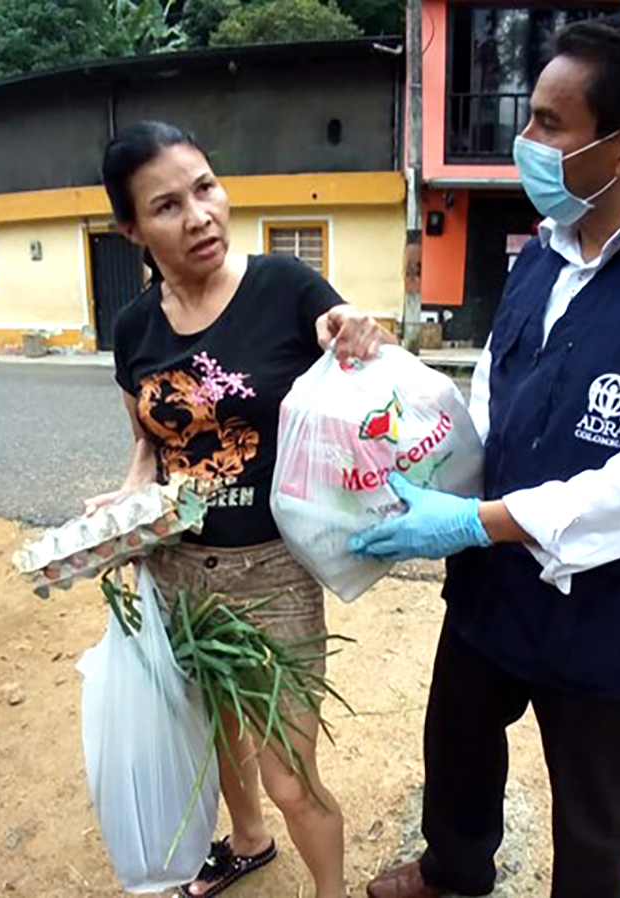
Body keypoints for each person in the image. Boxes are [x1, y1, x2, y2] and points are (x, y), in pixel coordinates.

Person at [350, 15, 620, 898]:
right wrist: (435, 471)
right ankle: (452, 870)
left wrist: (480, 520)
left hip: (604, 595)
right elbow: (493, 381)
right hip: (491, 570)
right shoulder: (542, 254)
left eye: (549, 124)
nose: (525, 143)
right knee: (459, 735)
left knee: (592, 798)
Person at [85, 120, 393, 898]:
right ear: (131, 231)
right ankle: (248, 844)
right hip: (176, 571)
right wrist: (129, 497)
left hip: (274, 573)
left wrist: (354, 327)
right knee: (221, 735)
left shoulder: (284, 286)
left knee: (292, 777)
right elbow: (149, 440)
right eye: (166, 206)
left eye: (206, 188)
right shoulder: (133, 329)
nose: (199, 216)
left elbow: (348, 333)